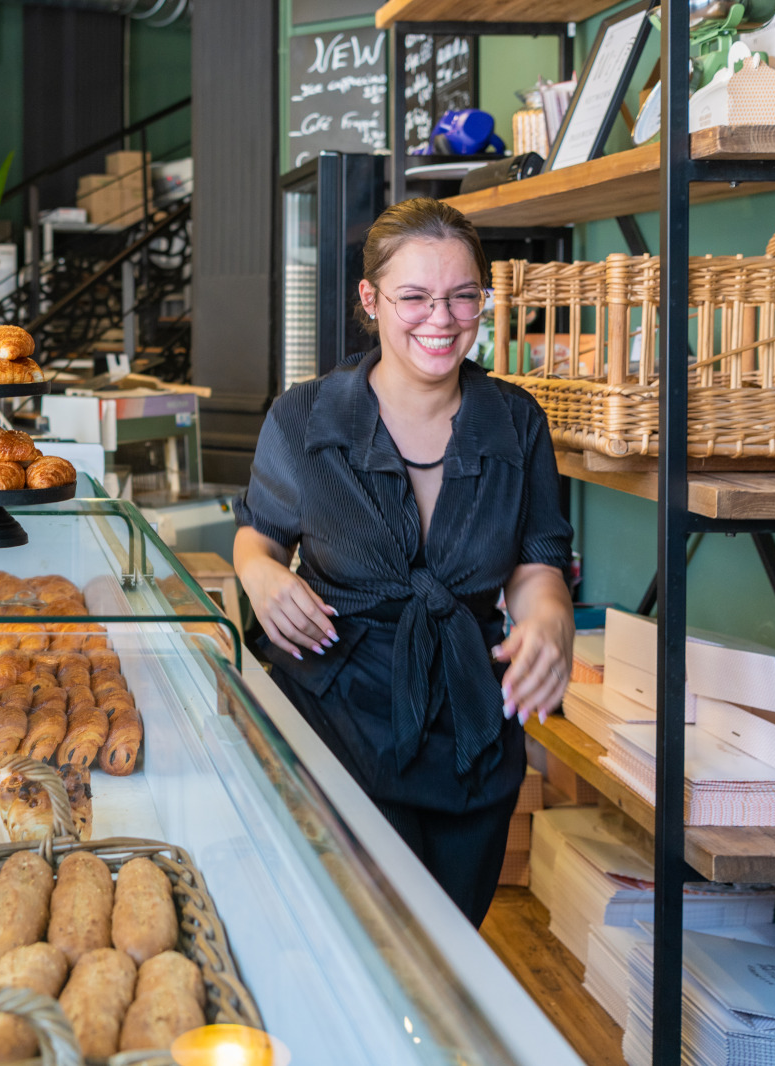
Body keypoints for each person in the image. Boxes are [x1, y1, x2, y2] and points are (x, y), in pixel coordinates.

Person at [232, 198, 574, 927]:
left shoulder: (517, 421)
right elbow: (259, 537)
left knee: (448, 950)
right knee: (352, 942)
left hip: (471, 721)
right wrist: (262, 575)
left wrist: (549, 621)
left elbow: (537, 561)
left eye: (463, 297)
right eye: (415, 297)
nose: (442, 320)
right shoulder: (304, 417)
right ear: (370, 300)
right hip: (334, 710)